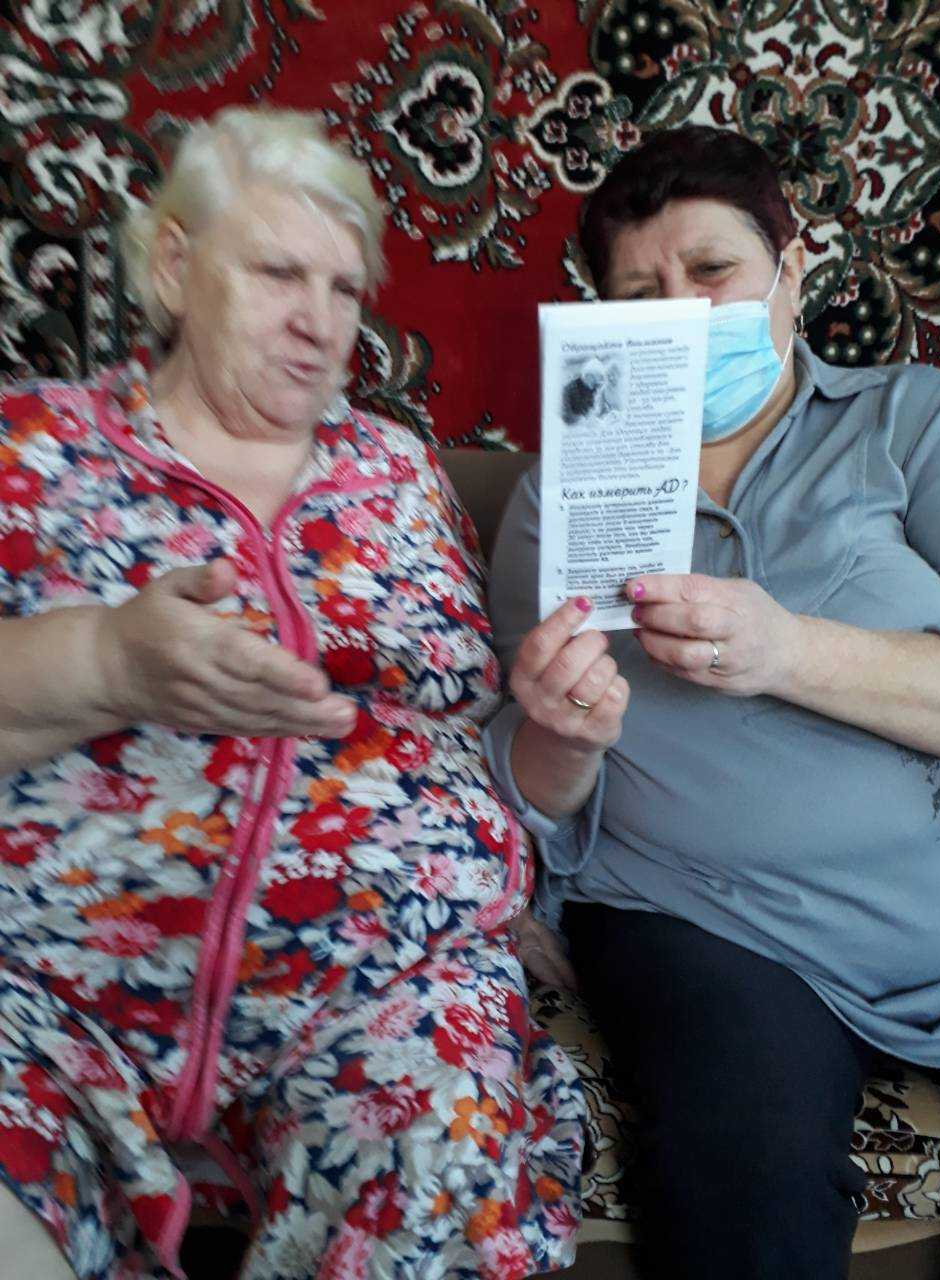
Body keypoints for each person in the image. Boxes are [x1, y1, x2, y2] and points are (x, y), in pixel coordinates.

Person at [0, 107, 585, 1280]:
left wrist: (555, 747)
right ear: (174, 267)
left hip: (380, 984)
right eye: (277, 273)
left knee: (448, 1146)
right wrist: (109, 660)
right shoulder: (34, 448)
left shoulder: (399, 474)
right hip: (49, 978)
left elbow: (473, 742)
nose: (320, 321)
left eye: (345, 288)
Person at [485, 124, 940, 1280]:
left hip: (936, 901)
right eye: (641, 293)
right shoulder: (561, 498)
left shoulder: (913, 422)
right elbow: (520, 791)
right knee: (743, 1179)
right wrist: (561, 734)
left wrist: (788, 649)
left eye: (714, 271)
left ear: (792, 273)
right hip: (706, 919)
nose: (686, 315)